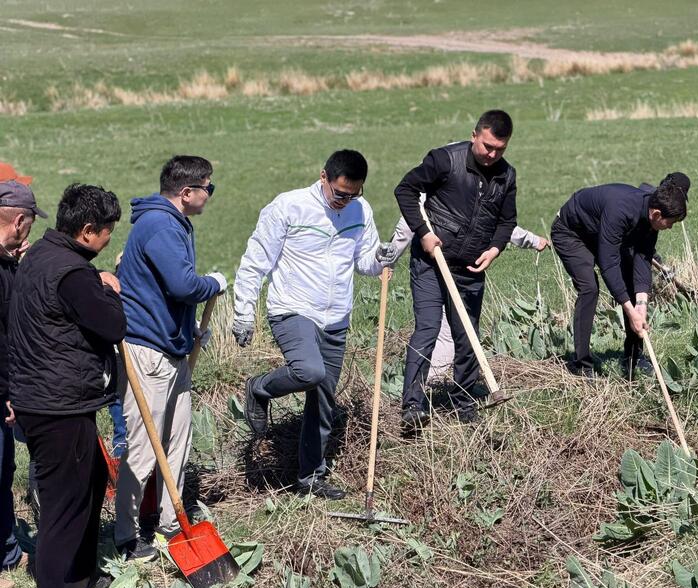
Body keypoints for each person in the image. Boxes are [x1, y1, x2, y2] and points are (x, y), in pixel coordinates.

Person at [232, 149, 394, 500]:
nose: (345, 201)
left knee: (323, 400)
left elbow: (364, 262)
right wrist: (243, 312)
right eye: (340, 193)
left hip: (336, 316)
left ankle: (310, 476)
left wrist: (381, 257)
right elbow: (256, 261)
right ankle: (259, 388)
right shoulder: (289, 207)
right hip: (293, 309)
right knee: (309, 371)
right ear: (323, 177)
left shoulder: (360, 211)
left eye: (353, 194)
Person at [9, 183, 125, 588]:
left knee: (92, 479)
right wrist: (109, 291)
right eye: (108, 230)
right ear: (88, 230)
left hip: (41, 398)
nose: (109, 238)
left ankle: (79, 578)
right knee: (64, 512)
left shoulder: (41, 255)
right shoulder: (72, 274)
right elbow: (112, 326)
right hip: (60, 407)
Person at [114, 156, 226, 560]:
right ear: (187, 192)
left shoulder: (173, 222)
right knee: (145, 447)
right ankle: (126, 536)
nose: (210, 195)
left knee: (178, 441)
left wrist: (187, 326)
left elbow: (160, 291)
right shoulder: (160, 225)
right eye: (208, 188)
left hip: (172, 348)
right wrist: (213, 283)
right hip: (148, 353)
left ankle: (168, 524)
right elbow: (182, 285)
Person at [394, 109, 518, 427]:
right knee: (428, 329)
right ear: (474, 135)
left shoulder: (506, 176)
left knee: (467, 337)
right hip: (431, 261)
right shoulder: (445, 160)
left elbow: (507, 221)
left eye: (500, 149)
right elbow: (405, 190)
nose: (492, 154)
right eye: (487, 146)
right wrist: (424, 233)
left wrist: (495, 248)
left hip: (470, 268)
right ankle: (413, 406)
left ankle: (463, 403)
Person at [550, 173, 690, 379]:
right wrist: (629, 311)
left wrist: (641, 305)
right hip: (571, 232)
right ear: (657, 214)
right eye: (670, 222)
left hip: (601, 230)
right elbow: (609, 265)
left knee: (633, 284)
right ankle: (581, 365)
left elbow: (643, 258)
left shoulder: (651, 217)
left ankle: (634, 357)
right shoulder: (621, 210)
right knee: (589, 289)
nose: (670, 227)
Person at [388, 216, 548, 381]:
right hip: (432, 267)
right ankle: (427, 383)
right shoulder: (428, 201)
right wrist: (389, 261)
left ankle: (432, 383)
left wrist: (532, 240)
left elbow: (497, 222)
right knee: (435, 331)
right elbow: (408, 224)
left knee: (450, 332)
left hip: (458, 267)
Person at [0, 167, 46, 588]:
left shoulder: (5, 263)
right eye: (29, 224)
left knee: (3, 471)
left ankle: (8, 552)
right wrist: (8, 392)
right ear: (18, 222)